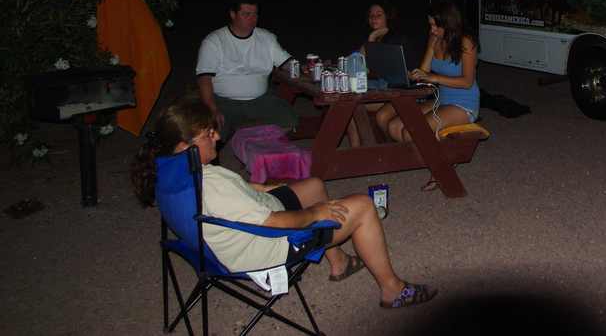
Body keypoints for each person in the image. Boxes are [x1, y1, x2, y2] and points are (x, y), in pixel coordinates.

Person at [131, 96, 437, 309]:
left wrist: (263, 187)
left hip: (238, 226)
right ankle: (392, 290)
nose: (217, 136)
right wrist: (314, 213)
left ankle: (339, 263)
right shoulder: (211, 185)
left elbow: (234, 191)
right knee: (363, 206)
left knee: (313, 185)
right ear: (183, 146)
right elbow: (273, 223)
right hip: (265, 243)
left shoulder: (169, 169)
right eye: (207, 134)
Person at [375, 0, 480, 191]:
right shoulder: (434, 39)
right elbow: (423, 72)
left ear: (449, 22)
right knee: (394, 127)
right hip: (442, 99)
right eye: (430, 25)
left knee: (411, 132)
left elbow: (466, 82)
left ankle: (443, 165)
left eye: (436, 25)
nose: (432, 30)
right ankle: (438, 153)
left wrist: (434, 77)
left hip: (464, 103)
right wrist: (406, 74)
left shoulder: (466, 41)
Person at [196, 0, 299, 139]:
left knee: (289, 118)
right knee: (211, 132)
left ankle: (260, 145)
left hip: (259, 99)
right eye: (246, 15)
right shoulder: (215, 41)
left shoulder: (266, 37)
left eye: (255, 14)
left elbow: (285, 62)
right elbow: (203, 78)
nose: (252, 19)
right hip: (224, 101)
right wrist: (212, 108)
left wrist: (301, 67)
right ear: (233, 15)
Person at [347, 0, 418, 147]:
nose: (373, 18)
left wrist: (371, 40)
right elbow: (355, 61)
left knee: (381, 117)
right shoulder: (375, 37)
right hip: (384, 90)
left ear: (388, 18)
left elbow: (383, 71)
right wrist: (371, 39)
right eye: (371, 15)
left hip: (402, 92)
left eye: (378, 14)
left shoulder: (397, 39)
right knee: (348, 105)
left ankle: (387, 149)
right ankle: (355, 150)